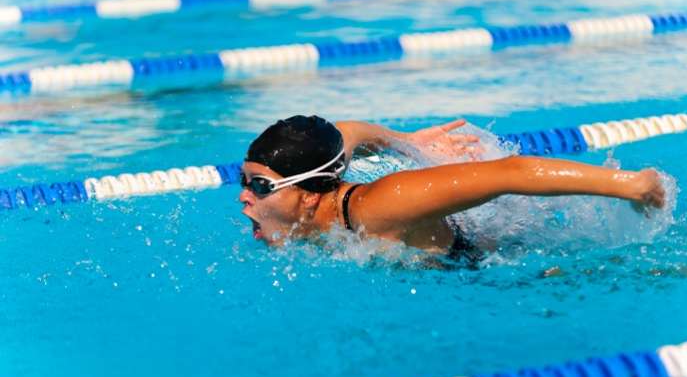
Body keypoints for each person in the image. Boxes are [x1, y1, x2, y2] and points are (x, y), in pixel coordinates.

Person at [239, 115, 665, 261]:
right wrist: (408, 140)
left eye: (259, 186)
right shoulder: (323, 172)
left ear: (310, 195)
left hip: (486, 273)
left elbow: (511, 172)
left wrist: (632, 186)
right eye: (244, 182)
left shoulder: (382, 205)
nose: (244, 197)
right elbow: (346, 132)